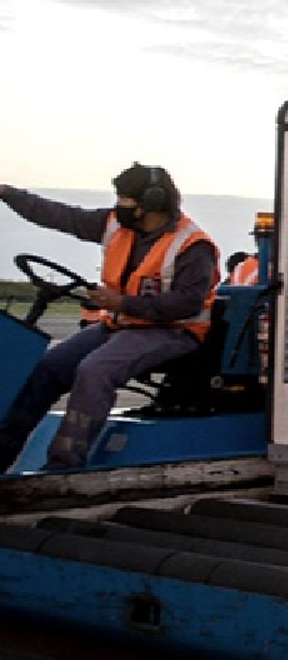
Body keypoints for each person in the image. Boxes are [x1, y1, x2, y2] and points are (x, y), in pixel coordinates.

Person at [0, 164, 219, 472]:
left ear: (151, 201)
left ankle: (63, 468)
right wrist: (8, 194)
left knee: (95, 370)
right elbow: (61, 215)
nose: (119, 204)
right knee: (48, 367)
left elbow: (187, 303)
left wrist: (123, 302)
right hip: (120, 325)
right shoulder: (115, 224)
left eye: (125, 198)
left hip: (172, 331)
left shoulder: (193, 246)